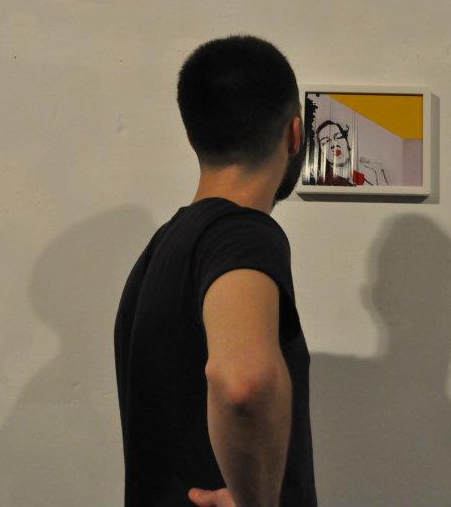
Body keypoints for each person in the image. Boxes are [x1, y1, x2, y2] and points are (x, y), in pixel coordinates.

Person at [114, 35, 316, 507]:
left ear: (192, 138)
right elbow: (244, 382)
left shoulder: (163, 248)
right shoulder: (242, 236)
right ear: (294, 134)